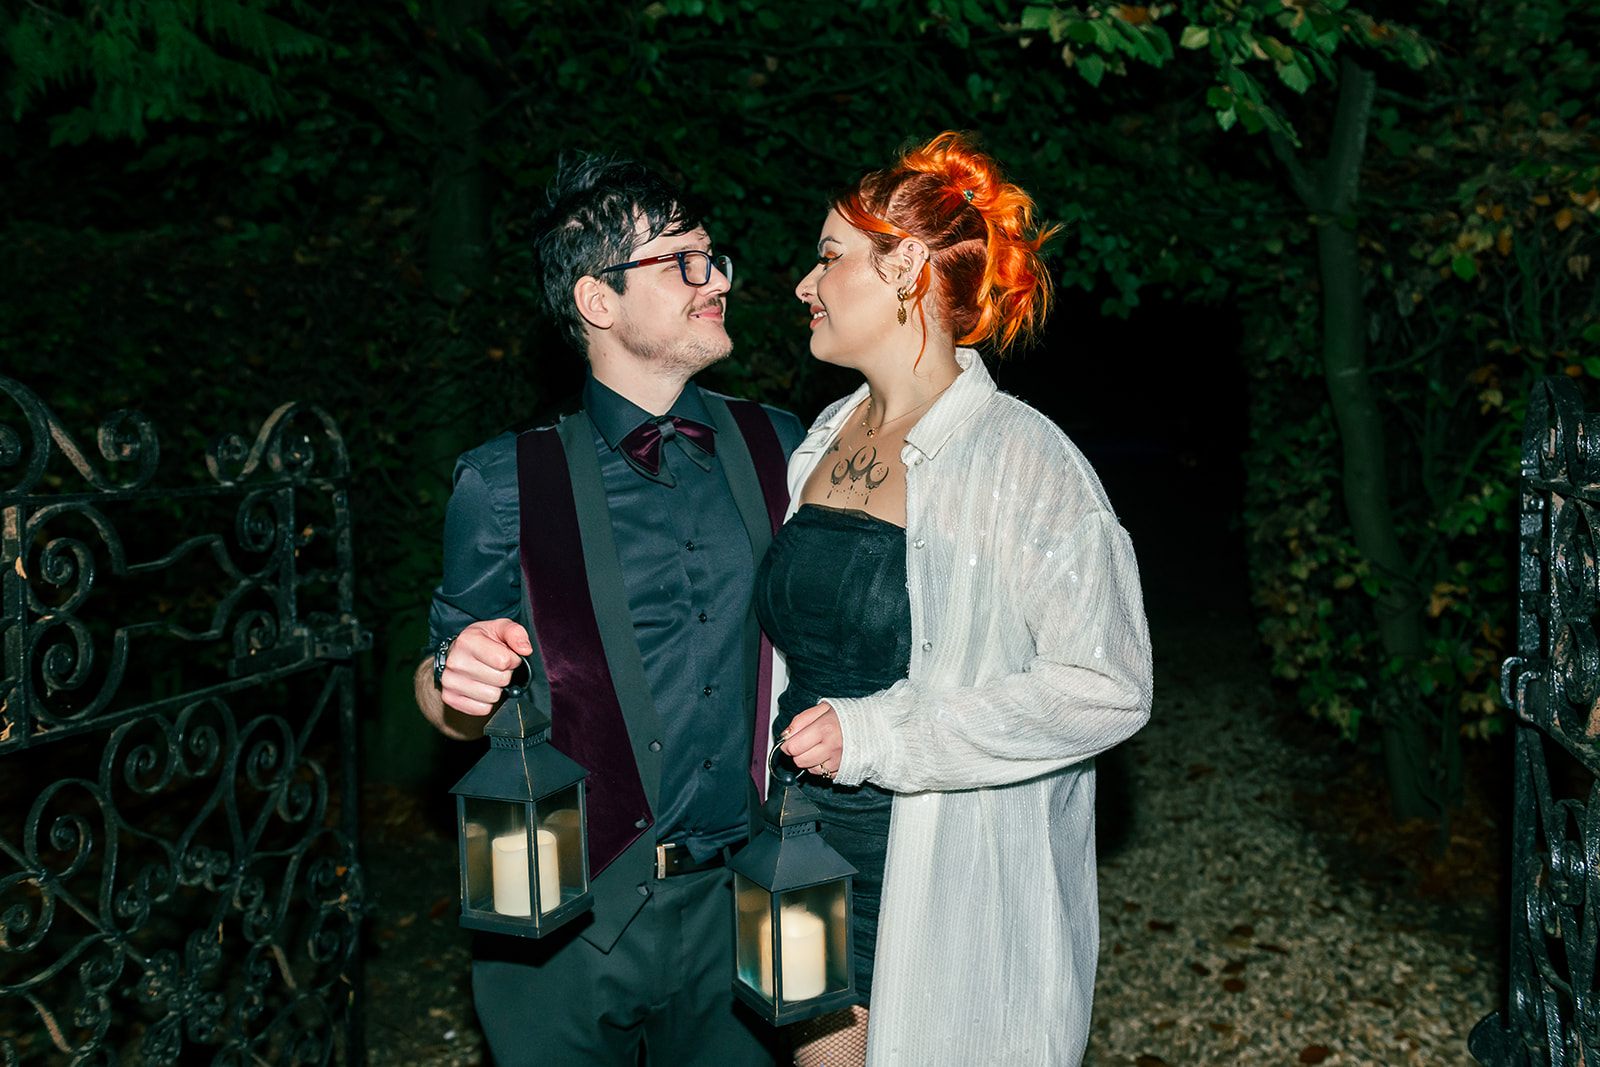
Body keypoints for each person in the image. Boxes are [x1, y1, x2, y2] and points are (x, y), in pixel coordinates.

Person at [758, 131, 1153, 1066]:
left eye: (827, 258)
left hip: (932, 867)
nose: (804, 285)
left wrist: (882, 735)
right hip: (796, 848)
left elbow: (1107, 684)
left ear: (902, 267)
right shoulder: (820, 438)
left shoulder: (1026, 459)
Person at [414, 153, 805, 1067]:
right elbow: (439, 693)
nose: (716, 281)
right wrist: (454, 678)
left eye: (714, 257)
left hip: (742, 904)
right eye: (683, 261)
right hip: (567, 920)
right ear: (598, 300)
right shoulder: (502, 479)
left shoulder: (778, 443)